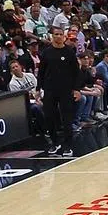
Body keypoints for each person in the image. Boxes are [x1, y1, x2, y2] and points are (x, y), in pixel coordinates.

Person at [38, 26, 80, 156]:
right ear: (52, 36)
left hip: (66, 90)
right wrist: (38, 88)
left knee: (67, 118)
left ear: (64, 36)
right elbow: (41, 71)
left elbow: (76, 72)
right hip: (50, 89)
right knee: (49, 116)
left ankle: (68, 146)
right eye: (56, 34)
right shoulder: (46, 52)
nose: (58, 36)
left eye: (61, 34)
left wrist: (76, 89)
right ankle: (55, 143)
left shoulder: (69, 52)